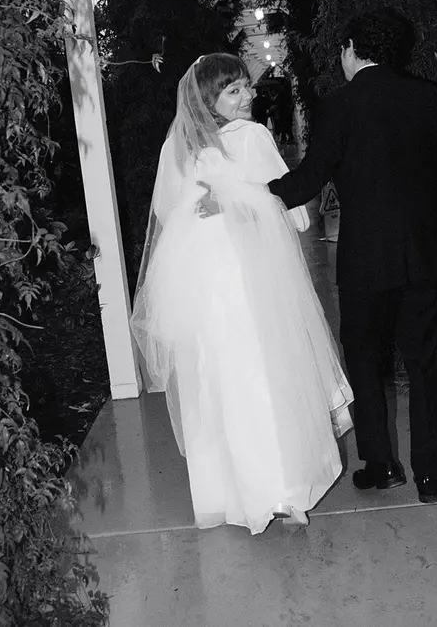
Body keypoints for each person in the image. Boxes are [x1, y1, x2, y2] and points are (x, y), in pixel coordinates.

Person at [268, 12, 437, 504]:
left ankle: (381, 465)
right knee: (426, 362)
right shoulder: (430, 97)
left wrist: (252, 192)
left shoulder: (338, 106)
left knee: (364, 358)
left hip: (365, 258)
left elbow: (309, 179)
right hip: (427, 254)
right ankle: (429, 477)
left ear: (351, 48)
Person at [130, 53, 353, 535]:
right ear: (210, 99)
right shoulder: (252, 137)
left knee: (217, 380)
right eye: (234, 90)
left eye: (246, 86)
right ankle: (283, 490)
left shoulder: (178, 147)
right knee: (262, 373)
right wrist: (243, 202)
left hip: (200, 282)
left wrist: (221, 203)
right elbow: (296, 215)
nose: (248, 95)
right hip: (246, 278)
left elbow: (168, 214)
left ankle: (230, 495)